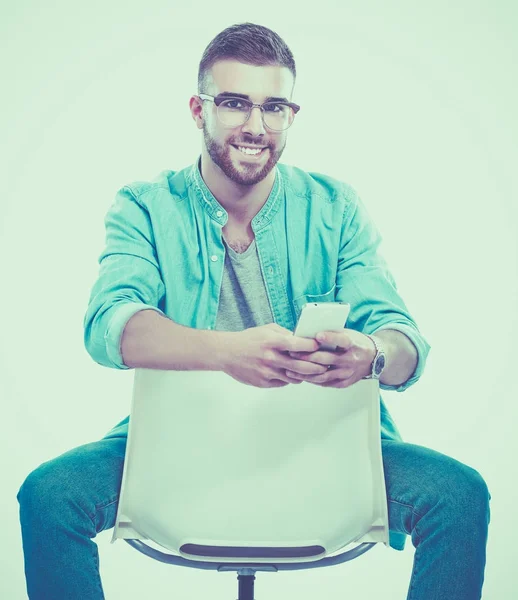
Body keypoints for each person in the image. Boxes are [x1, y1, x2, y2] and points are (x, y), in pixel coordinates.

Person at [17, 22, 490, 599]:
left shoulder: (334, 208)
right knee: (48, 495)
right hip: (177, 444)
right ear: (199, 109)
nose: (255, 127)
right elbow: (110, 326)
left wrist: (371, 354)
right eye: (235, 104)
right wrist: (229, 353)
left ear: (293, 114)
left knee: (460, 494)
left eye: (274, 108)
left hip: (325, 448)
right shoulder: (145, 205)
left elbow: (405, 346)